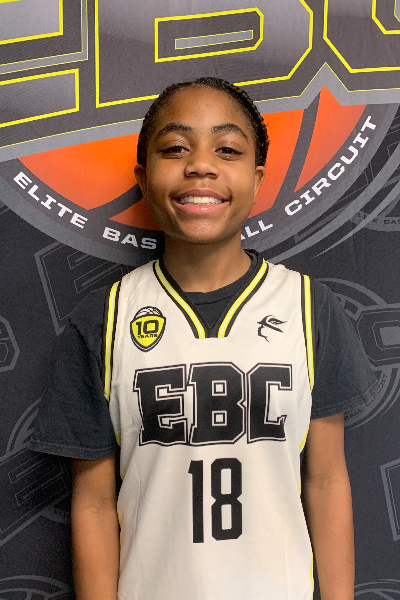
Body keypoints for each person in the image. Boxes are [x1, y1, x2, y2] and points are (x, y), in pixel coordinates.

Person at [30, 77, 379, 600]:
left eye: (227, 149)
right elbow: (95, 503)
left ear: (257, 179)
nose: (200, 165)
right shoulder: (105, 318)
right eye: (175, 148)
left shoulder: (309, 308)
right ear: (143, 177)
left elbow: (327, 481)